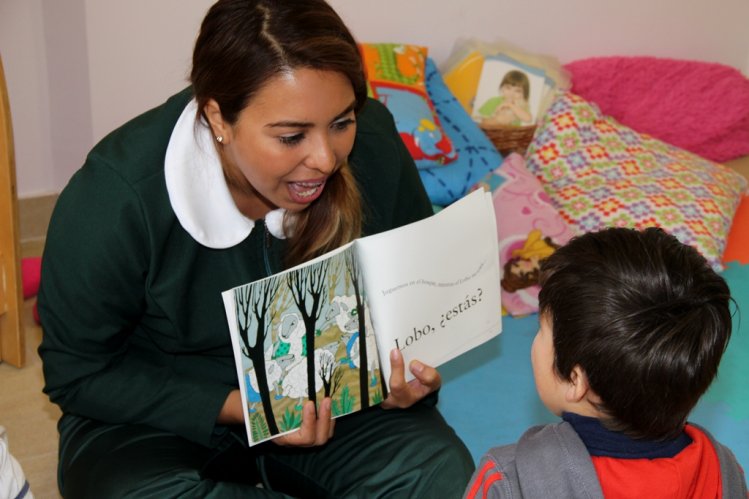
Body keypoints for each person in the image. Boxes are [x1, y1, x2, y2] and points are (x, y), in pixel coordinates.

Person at [37, 0, 475, 497]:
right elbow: (78, 373)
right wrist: (249, 407)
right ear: (218, 117)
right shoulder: (117, 198)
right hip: (159, 421)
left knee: (440, 474)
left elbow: (408, 296)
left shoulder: (371, 141)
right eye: (291, 136)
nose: (326, 158)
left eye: (342, 122)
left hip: (333, 401)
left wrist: (404, 380)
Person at [464, 227, 747, 498]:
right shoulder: (724, 472)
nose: (534, 340)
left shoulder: (508, 479)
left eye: (541, 330)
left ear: (576, 380)